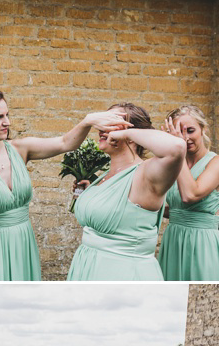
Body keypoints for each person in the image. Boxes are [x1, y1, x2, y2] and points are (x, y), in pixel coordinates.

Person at [0, 87, 130, 281]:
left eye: (7, 115)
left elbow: (64, 143)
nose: (7, 122)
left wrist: (88, 120)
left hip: (23, 242)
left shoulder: (21, 149)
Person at [67, 103, 185, 280]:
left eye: (111, 122)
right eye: (103, 122)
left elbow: (177, 148)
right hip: (87, 266)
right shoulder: (105, 176)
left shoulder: (146, 174)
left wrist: (125, 133)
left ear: (133, 133)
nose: (101, 128)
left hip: (122, 273)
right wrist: (91, 195)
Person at [158, 105, 219, 280]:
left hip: (202, 243)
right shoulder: (173, 164)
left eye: (190, 131)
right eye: (179, 133)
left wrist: (178, 155)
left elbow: (190, 195)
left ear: (203, 129)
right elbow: (174, 208)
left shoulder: (215, 163)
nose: (185, 138)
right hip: (173, 240)